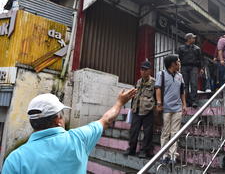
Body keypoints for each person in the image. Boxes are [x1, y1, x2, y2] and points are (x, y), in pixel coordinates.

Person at [2, 90, 136, 174]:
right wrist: (119, 102)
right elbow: (106, 120)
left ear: (32, 123)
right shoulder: (79, 138)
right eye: (62, 114)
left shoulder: (14, 159)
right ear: (58, 120)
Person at [155, 54, 187, 164]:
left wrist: (184, 105)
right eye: (178, 61)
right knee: (165, 133)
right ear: (173, 64)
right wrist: (159, 103)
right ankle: (165, 155)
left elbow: (182, 91)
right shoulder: (162, 74)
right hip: (165, 108)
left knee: (175, 133)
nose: (179, 63)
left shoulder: (180, 76)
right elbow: (158, 89)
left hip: (177, 108)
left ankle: (173, 156)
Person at [124, 61, 155, 158]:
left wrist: (156, 107)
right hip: (136, 110)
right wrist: (132, 107)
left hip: (148, 110)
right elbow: (135, 95)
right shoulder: (138, 81)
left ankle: (145, 151)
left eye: (145, 70)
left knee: (147, 132)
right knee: (133, 131)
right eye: (142, 69)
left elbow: (157, 96)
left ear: (150, 71)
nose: (143, 72)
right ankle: (131, 149)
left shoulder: (154, 82)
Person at [177, 33, 204, 108]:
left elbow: (200, 59)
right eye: (193, 38)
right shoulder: (181, 48)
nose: (194, 39)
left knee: (194, 83)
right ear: (188, 39)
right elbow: (178, 59)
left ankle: (194, 101)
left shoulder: (197, 48)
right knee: (184, 85)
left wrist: (201, 68)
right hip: (184, 67)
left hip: (194, 67)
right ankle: (185, 101)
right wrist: (178, 68)